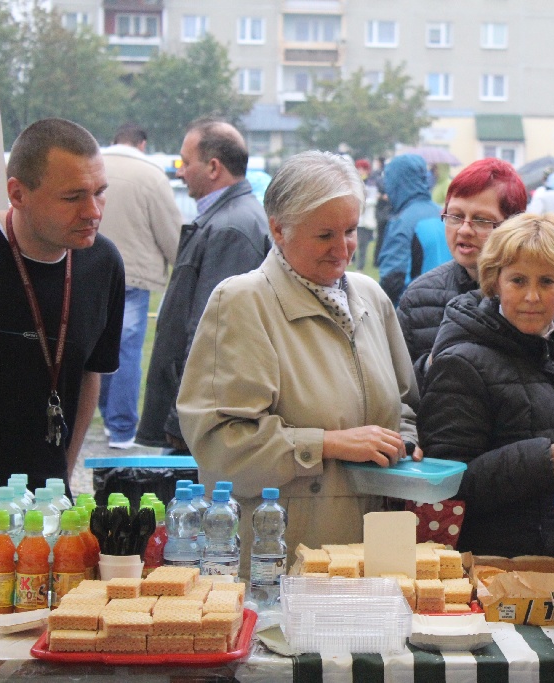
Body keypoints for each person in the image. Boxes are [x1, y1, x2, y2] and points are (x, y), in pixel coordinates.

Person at [177, 151, 420, 575]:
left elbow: (403, 405)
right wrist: (327, 444)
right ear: (278, 229)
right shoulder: (242, 302)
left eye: (350, 231)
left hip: (372, 557)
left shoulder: (371, 298)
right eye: (324, 234)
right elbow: (219, 448)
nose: (342, 249)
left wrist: (408, 445)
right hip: (283, 559)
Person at [418, 214, 554, 559]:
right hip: (502, 568)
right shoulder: (461, 364)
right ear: (495, 282)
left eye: (546, 282)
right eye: (518, 280)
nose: (532, 296)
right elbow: (445, 481)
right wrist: (539, 464)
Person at [0, 118, 124, 490]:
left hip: (47, 498)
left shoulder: (102, 263)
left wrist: (63, 474)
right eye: (73, 197)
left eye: (100, 192)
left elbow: (90, 372)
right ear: (17, 195)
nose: (93, 211)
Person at [396, 158, 554, 402]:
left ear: (514, 224)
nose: (464, 230)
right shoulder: (420, 297)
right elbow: (407, 395)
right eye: (455, 216)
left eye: (481, 220)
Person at [137, 118, 269, 451]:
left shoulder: (231, 229)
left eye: (185, 162)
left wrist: (179, 419)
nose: (180, 172)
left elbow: (211, 333)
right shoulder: (227, 219)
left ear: (213, 167)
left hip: (200, 420)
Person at [96, 123, 182, 449]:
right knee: (126, 350)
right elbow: (170, 231)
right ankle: (121, 429)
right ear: (142, 144)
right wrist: (180, 262)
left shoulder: (94, 165)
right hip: (133, 275)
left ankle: (104, 414)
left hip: (90, 269)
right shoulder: (151, 175)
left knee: (94, 346)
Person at [377, 154, 450, 306]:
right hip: (449, 309)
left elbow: (392, 278)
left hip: (414, 314)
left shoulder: (403, 222)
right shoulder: (445, 214)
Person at [354, 158, 378, 269]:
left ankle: (360, 267)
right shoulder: (354, 182)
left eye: (363, 168)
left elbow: (373, 199)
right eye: (358, 168)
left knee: (363, 244)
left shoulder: (371, 182)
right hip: (356, 217)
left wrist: (362, 201)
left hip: (366, 218)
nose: (360, 171)